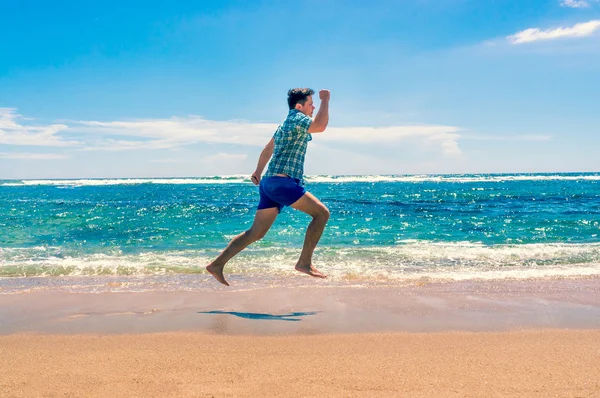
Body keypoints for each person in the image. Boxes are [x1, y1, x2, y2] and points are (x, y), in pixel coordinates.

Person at [206, 88, 331, 286]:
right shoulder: (297, 118)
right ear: (299, 106)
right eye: (311, 103)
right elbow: (320, 126)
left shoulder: (284, 124)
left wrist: (258, 172)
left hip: (269, 183)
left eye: (315, 103)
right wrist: (326, 100)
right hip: (282, 183)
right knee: (322, 214)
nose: (313, 106)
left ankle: (217, 265)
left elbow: (267, 149)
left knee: (256, 233)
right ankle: (304, 263)